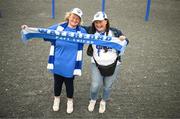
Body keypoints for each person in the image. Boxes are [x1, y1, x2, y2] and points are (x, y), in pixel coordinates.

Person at [21, 8, 87, 114]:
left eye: (77, 18)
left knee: (69, 84)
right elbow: (44, 32)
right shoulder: (58, 27)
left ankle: (70, 101)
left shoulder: (82, 31)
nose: (75, 20)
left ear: (80, 21)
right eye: (73, 16)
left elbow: (95, 36)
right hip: (58, 62)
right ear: (69, 16)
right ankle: (57, 99)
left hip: (71, 64)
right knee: (57, 83)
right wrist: (28, 29)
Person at [86, 11, 129, 113]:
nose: (98, 24)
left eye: (100, 21)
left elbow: (126, 41)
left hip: (114, 64)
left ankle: (103, 101)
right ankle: (93, 99)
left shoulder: (115, 32)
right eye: (96, 22)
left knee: (107, 86)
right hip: (96, 63)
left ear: (106, 21)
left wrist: (124, 39)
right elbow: (75, 27)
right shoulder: (91, 30)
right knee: (95, 86)